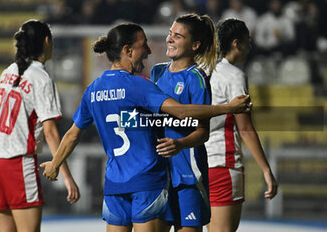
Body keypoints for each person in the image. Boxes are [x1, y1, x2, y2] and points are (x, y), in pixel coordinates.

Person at [40, 22, 251, 232]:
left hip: (115, 183)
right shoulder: (138, 85)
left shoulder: (93, 90)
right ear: (128, 50)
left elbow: (72, 135)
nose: (149, 50)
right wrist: (228, 107)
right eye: (144, 45)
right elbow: (181, 111)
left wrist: (55, 164)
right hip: (147, 181)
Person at [0, 19, 80, 232]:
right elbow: (50, 131)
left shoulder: (8, 71)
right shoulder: (41, 77)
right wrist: (66, 176)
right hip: (16, 163)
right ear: (47, 41)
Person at [205, 18, 278, 232]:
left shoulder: (203, 70)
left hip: (199, 164)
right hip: (223, 163)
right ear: (236, 43)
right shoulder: (234, 75)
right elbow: (245, 128)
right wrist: (266, 170)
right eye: (248, 39)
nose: (250, 44)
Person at [150, 13, 216, 232]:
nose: (170, 39)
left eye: (178, 36)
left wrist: (179, 144)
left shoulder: (196, 78)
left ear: (195, 45)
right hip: (158, 175)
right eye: (170, 33)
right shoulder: (157, 72)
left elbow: (203, 132)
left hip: (188, 174)